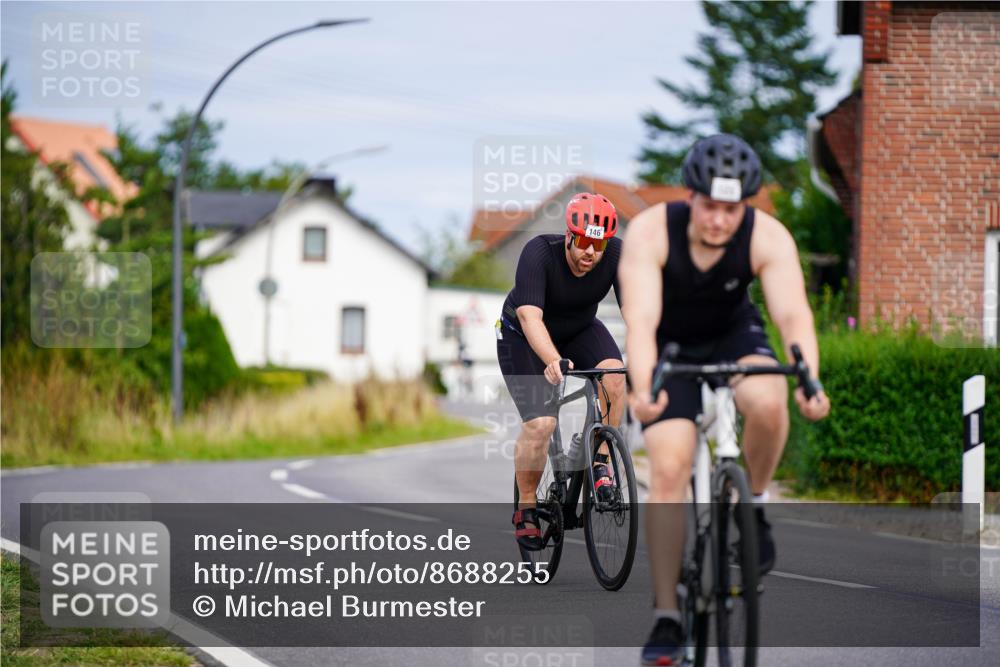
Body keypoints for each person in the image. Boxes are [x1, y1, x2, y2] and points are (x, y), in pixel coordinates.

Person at [618, 134, 831, 664]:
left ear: (746, 206)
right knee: (669, 467)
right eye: (709, 206)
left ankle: (752, 506)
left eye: (731, 210)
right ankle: (668, 617)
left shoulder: (768, 236)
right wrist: (643, 391)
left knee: (769, 399)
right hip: (669, 345)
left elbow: (792, 315)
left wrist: (810, 380)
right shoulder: (650, 232)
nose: (718, 221)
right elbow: (640, 322)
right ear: (690, 196)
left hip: (733, 335)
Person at [497, 193, 627, 550]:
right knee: (541, 424)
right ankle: (526, 507)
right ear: (569, 235)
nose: (591, 252)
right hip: (522, 335)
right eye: (583, 242)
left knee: (616, 377)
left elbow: (635, 312)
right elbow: (529, 317)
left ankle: (600, 464)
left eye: (599, 244)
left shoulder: (616, 254)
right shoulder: (539, 252)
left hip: (580, 328)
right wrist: (553, 359)